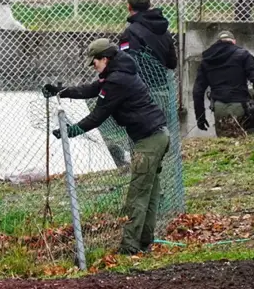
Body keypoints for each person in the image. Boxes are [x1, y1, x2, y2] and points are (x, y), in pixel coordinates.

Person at [43, 38, 170, 255]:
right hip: (158, 135)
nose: (94, 67)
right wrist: (61, 91)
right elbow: (92, 89)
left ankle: (130, 247)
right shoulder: (119, 74)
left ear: (106, 59)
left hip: (149, 141)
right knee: (149, 192)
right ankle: (145, 241)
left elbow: (98, 115)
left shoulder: (117, 81)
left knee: (137, 195)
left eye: (95, 63)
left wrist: (72, 131)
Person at [193, 30, 254, 137]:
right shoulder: (243, 55)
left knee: (224, 146)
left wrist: (200, 117)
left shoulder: (207, 60)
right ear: (234, 41)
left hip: (219, 107)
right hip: (240, 106)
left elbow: (197, 91)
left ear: (218, 42)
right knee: (243, 145)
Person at [117, 0, 177, 72]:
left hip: (139, 84)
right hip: (162, 83)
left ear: (129, 7)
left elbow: (125, 63)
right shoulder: (164, 30)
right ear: (150, 5)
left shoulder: (131, 33)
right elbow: (172, 63)